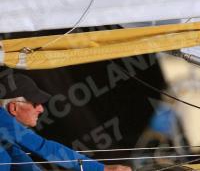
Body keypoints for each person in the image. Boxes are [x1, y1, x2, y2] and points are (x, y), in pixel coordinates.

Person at [0, 73, 131, 171]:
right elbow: (45, 147)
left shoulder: (7, 140)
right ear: (14, 108)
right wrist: (102, 169)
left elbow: (26, 166)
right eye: (35, 103)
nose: (41, 109)